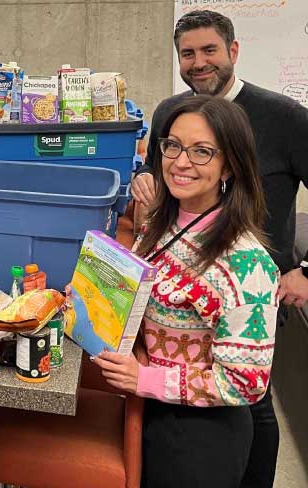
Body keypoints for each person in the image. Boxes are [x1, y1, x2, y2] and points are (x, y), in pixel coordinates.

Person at [130, 10, 308, 486]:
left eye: (209, 50)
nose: (198, 62)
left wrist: (306, 269)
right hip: (168, 399)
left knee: (258, 405)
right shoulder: (173, 116)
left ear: (233, 50)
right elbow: (162, 180)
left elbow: (238, 383)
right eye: (188, 53)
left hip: (250, 296)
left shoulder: (287, 117)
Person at [96, 95, 278, 487]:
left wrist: (144, 379)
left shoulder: (248, 264)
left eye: (201, 152)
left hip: (200, 435)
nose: (180, 161)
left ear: (230, 164)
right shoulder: (162, 222)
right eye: (173, 145)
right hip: (150, 410)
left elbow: (245, 381)